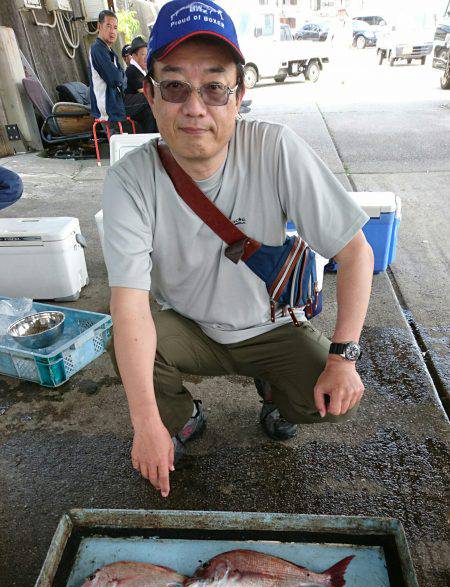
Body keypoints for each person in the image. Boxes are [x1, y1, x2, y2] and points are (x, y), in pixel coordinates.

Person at [103, 0, 373, 499]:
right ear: (150, 94)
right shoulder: (129, 181)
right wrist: (144, 424)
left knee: (330, 398)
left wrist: (344, 358)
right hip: (190, 327)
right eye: (175, 86)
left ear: (239, 93)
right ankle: (180, 418)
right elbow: (129, 304)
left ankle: (274, 389)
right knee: (123, 342)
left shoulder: (276, 148)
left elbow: (355, 253)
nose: (194, 107)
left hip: (270, 325)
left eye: (213, 86)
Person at [88, 10, 127, 126]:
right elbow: (115, 79)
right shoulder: (97, 49)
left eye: (115, 27)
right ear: (99, 26)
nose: (112, 31)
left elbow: (123, 80)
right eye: (108, 26)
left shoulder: (109, 50)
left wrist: (120, 77)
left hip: (116, 104)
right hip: (107, 108)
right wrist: (120, 77)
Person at [125, 36, 158, 133]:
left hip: (141, 107)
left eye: (147, 54)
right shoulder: (132, 70)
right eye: (143, 54)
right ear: (134, 56)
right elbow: (146, 91)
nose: (146, 58)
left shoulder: (143, 71)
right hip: (130, 107)